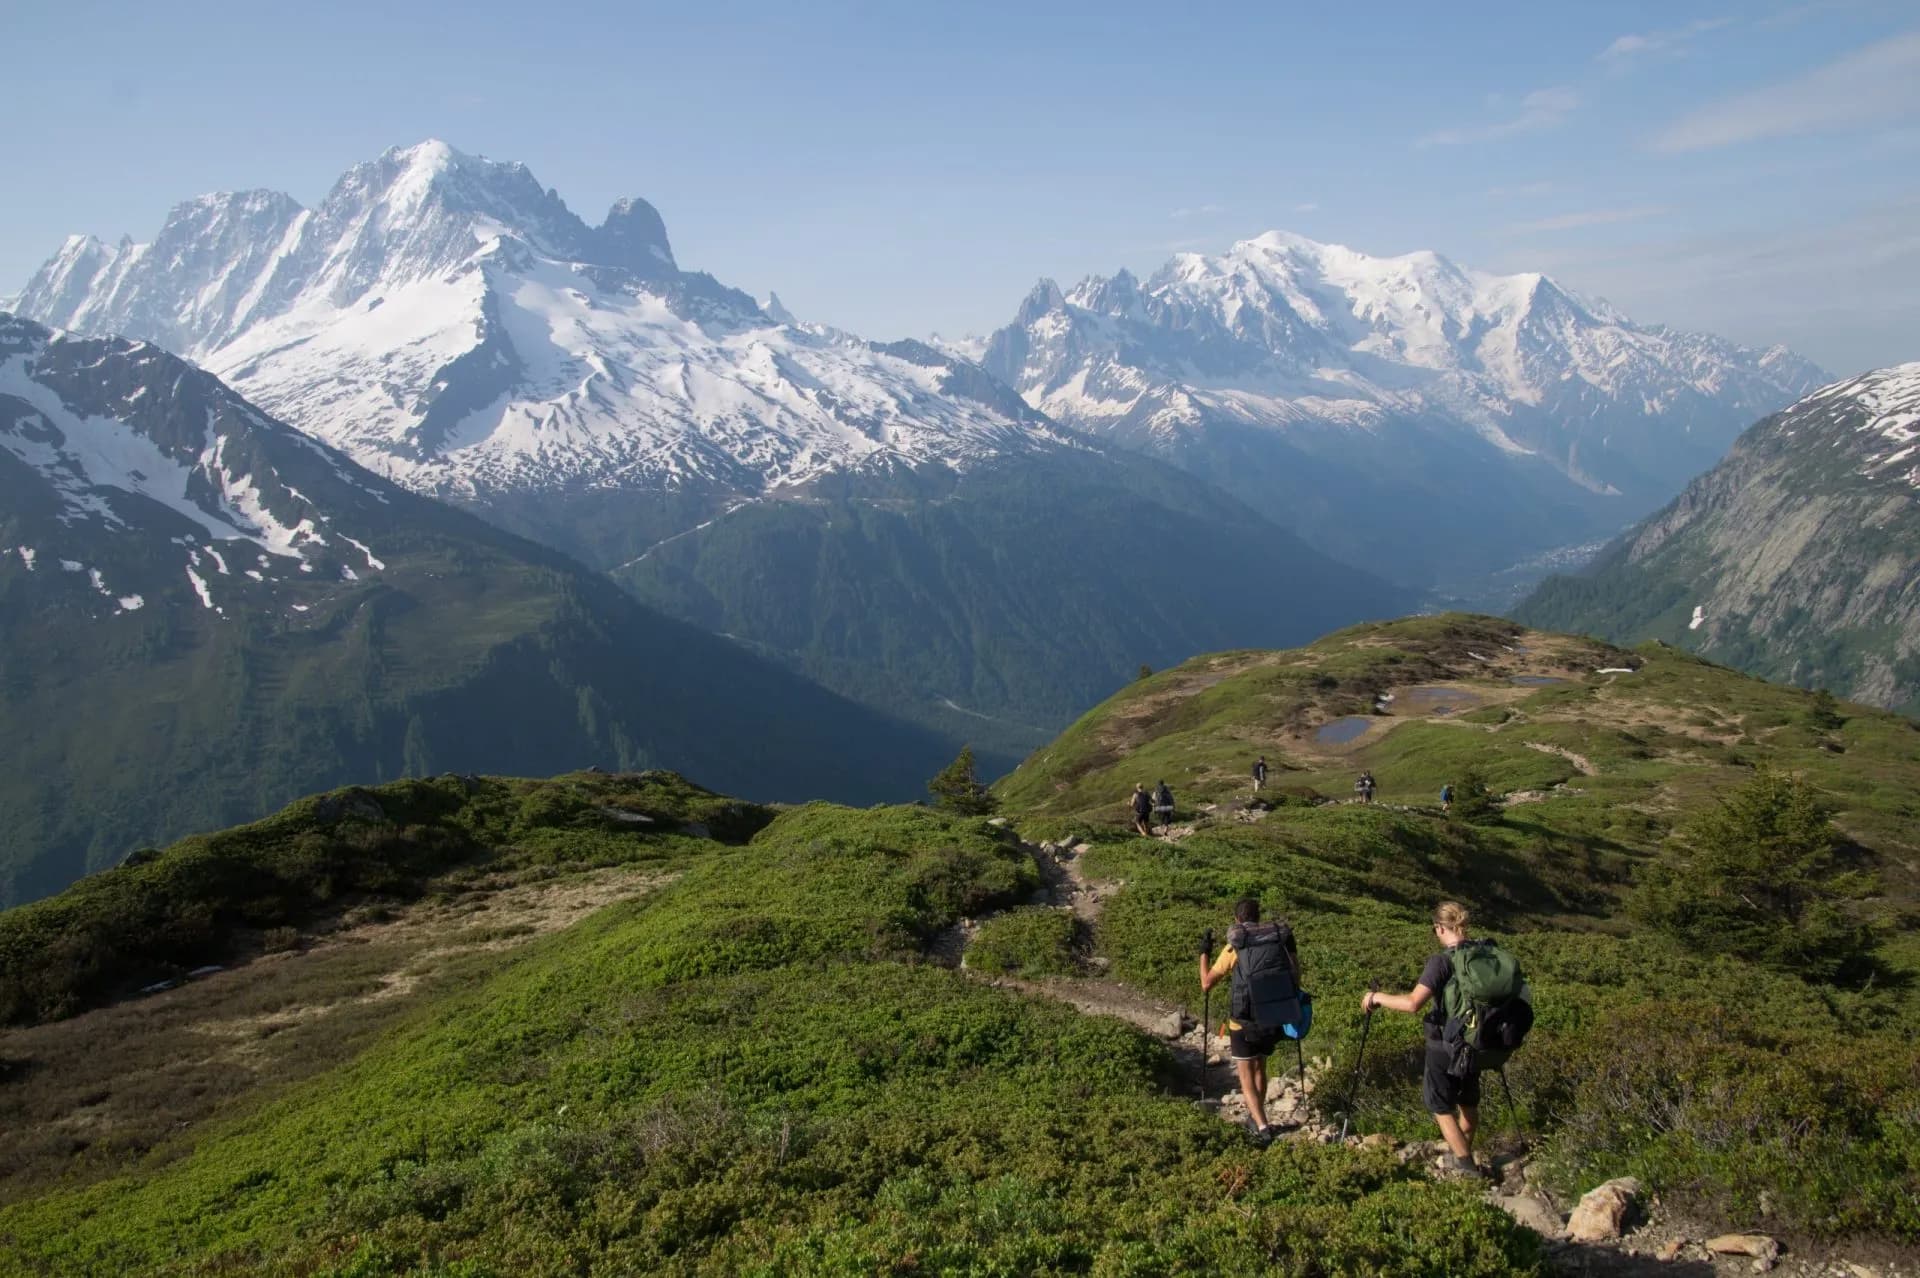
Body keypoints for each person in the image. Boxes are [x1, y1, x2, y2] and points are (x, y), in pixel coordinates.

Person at [1359, 900, 1488, 1178]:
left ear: (1440, 928)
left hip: (1444, 1042)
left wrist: (1376, 998)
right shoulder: (1484, 954)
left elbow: (1413, 1003)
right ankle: (1462, 1151)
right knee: (1468, 1102)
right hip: (1476, 1039)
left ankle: (1466, 1165)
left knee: (1441, 1106)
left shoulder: (1441, 961)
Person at [1199, 899, 1302, 1143]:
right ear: (1257, 917)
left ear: (1237, 919)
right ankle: (1258, 1115)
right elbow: (1296, 975)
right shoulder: (1275, 940)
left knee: (1245, 1074)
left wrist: (1204, 952)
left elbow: (1206, 983)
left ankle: (1262, 1126)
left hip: (1242, 1021)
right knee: (1260, 1068)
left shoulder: (1236, 945)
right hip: (1271, 1016)